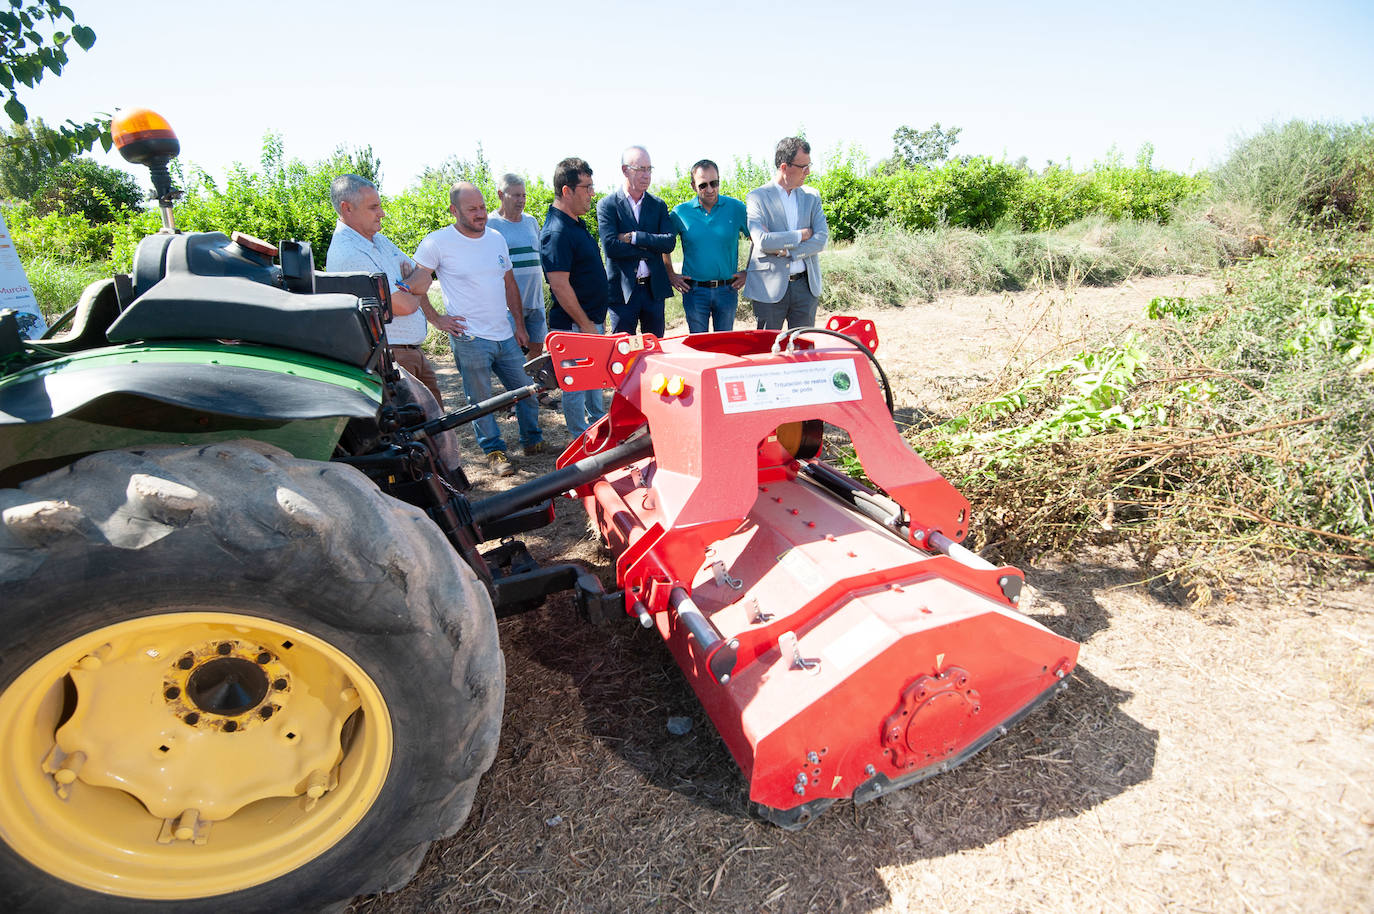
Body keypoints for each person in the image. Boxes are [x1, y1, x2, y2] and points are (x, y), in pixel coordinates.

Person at [406, 181, 543, 477]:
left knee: (526, 391)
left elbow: (509, 283)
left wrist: (519, 325)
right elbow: (415, 283)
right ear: (455, 210)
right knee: (481, 402)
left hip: (504, 333)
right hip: (469, 337)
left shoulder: (495, 238)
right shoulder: (437, 243)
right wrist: (436, 318)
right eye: (472, 209)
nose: (480, 214)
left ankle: (533, 441)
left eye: (482, 207)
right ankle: (494, 451)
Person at [325, 173, 460, 406]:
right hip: (391, 359)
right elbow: (404, 306)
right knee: (418, 431)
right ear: (347, 209)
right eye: (373, 207)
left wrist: (406, 287)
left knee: (437, 426)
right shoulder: (350, 254)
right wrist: (411, 286)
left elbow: (424, 275)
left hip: (409, 353)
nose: (382, 213)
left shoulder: (379, 241)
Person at [541, 157, 609, 437]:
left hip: (588, 323)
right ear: (567, 190)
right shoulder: (556, 232)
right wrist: (584, 325)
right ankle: (581, 439)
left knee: (593, 381)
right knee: (575, 385)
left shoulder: (573, 224)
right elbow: (559, 285)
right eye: (587, 187)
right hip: (575, 327)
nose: (592, 193)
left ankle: (598, 429)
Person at [487, 172, 558, 410]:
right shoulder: (490, 224)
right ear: (500, 195)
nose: (521, 200)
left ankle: (537, 393)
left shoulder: (530, 221)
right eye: (516, 195)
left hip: (535, 299)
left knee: (537, 348)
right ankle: (516, 398)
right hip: (508, 303)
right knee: (514, 355)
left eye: (524, 195)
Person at [744, 137, 829, 330]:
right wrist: (801, 235)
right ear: (784, 166)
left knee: (802, 348)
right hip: (768, 289)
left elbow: (821, 239)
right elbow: (763, 242)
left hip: (806, 288)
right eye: (803, 167)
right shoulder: (757, 197)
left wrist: (788, 251)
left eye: (809, 165)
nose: (808, 172)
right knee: (767, 350)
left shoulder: (812, 196)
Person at [595, 145, 675, 337]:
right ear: (625, 170)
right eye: (641, 169)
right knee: (623, 351)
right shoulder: (608, 205)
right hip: (622, 294)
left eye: (649, 169)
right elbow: (611, 247)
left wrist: (635, 237)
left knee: (656, 348)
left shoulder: (658, 205)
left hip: (653, 290)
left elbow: (669, 243)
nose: (646, 175)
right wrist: (651, 247)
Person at [665, 159, 750, 333]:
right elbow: (664, 245)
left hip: (727, 290)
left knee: (725, 347)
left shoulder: (736, 208)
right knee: (699, 348)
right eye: (703, 185)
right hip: (695, 292)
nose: (710, 189)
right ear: (693, 186)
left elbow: (759, 240)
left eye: (714, 183)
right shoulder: (680, 213)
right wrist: (670, 275)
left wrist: (749, 272)